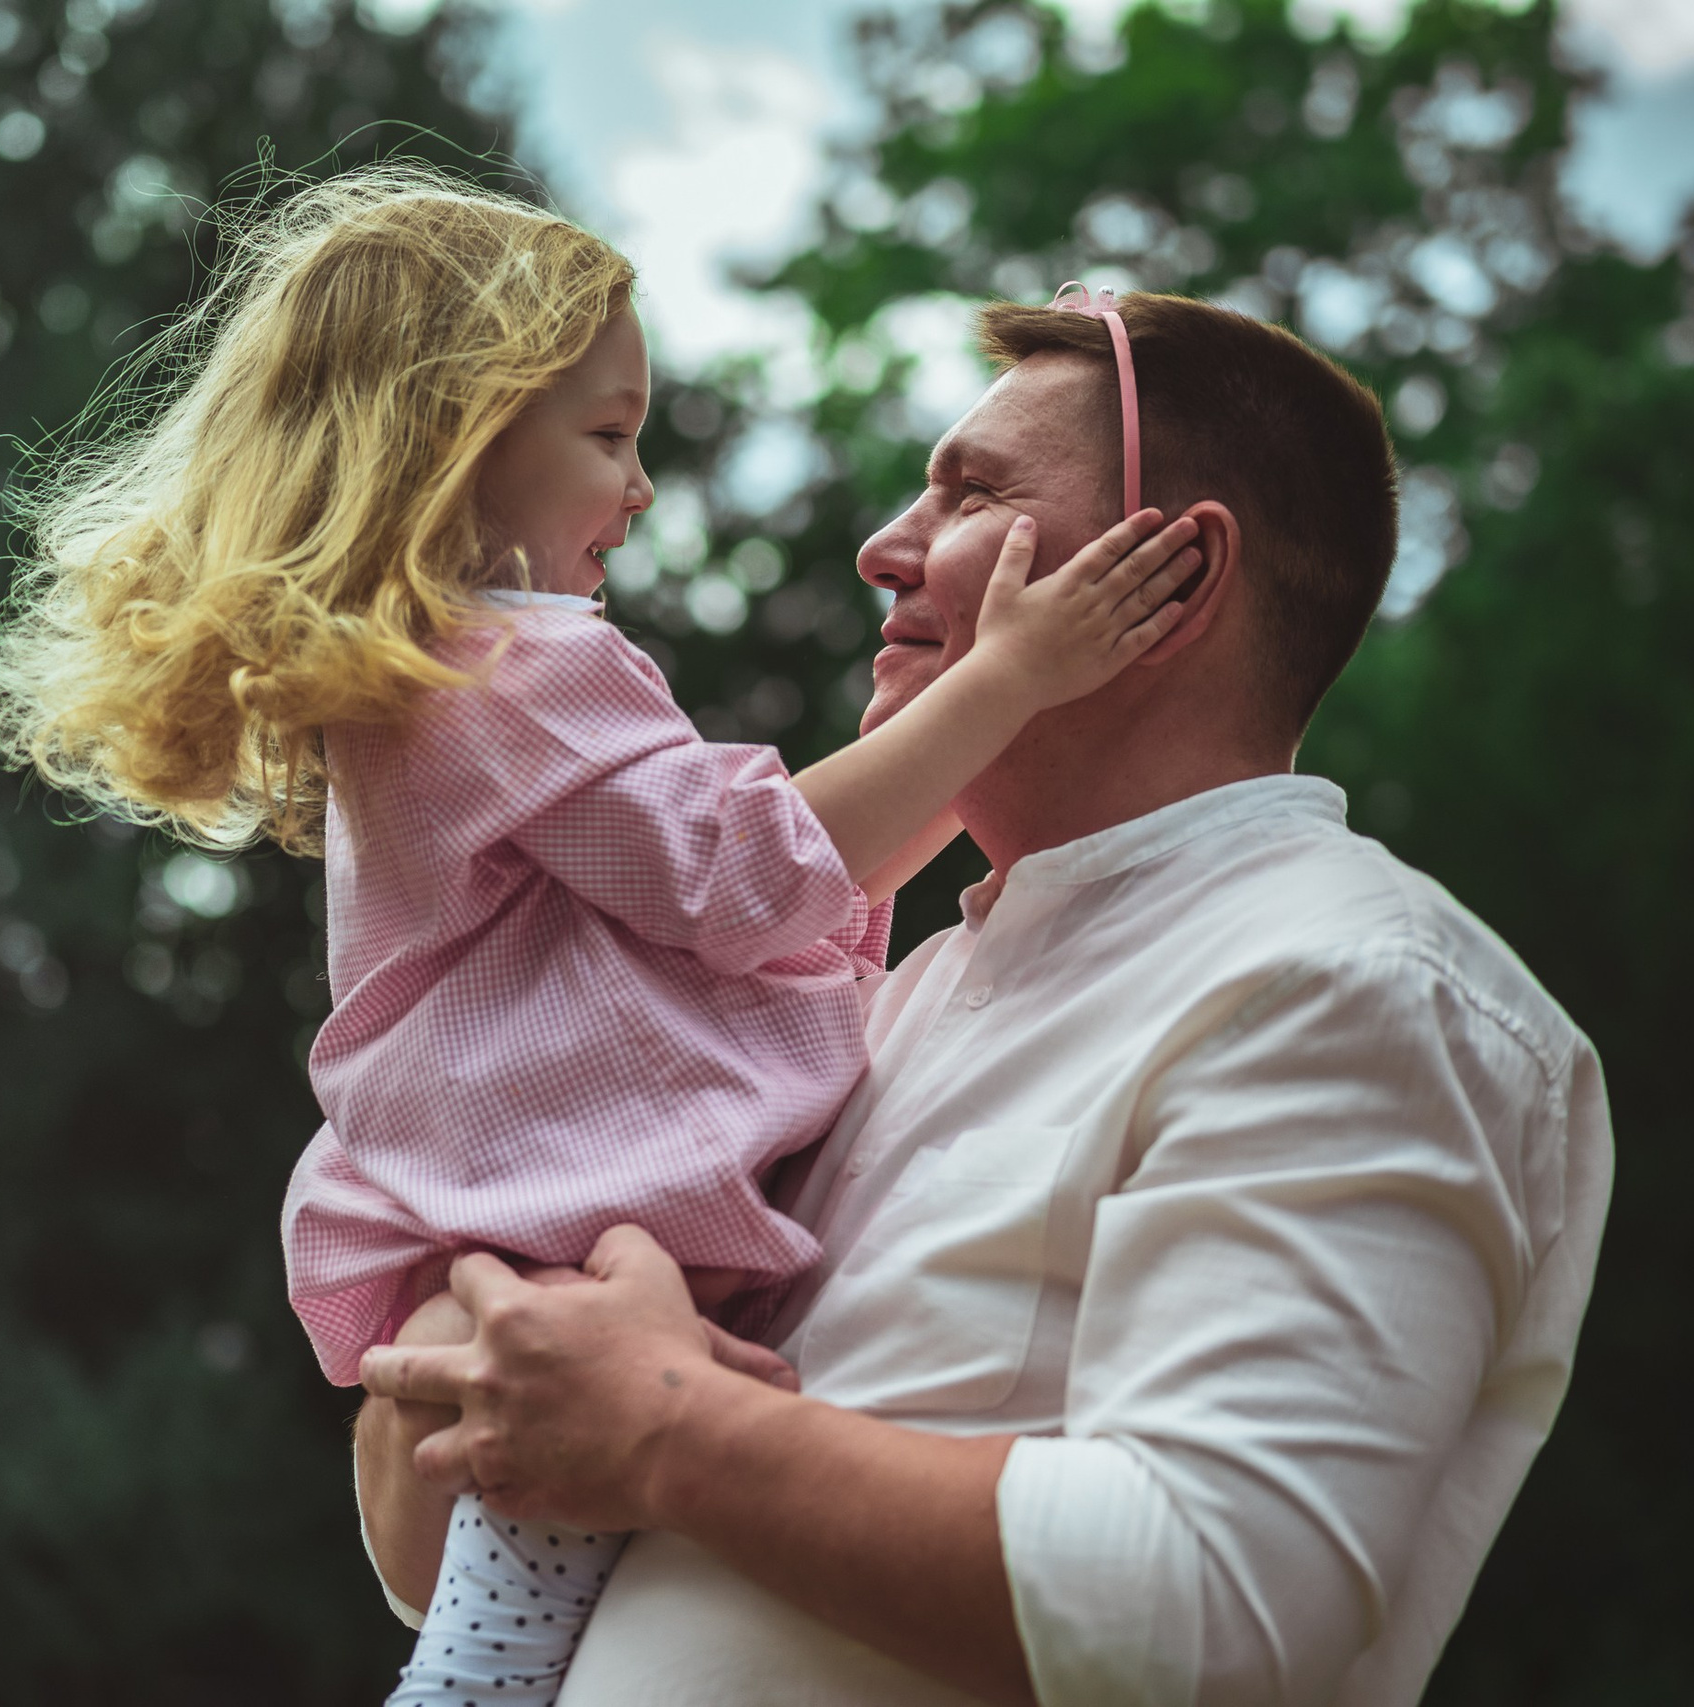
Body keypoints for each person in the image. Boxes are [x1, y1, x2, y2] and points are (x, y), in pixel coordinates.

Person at [0, 167, 1201, 1703]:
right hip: (564, 1235)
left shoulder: (428, 680)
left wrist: (988, 735)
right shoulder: (517, 666)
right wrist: (1010, 688)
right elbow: (752, 878)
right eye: (608, 436)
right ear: (457, 440)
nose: (642, 486)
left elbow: (767, 877)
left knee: (548, 1609)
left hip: (525, 1215)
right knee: (505, 1641)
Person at [356, 290, 1614, 1707]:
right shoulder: (878, 1009)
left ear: (1176, 579)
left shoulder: (1354, 982)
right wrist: (485, 1377)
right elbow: (452, 1537)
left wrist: (662, 1430)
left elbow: (1223, 1608)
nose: (881, 546)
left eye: (970, 493)